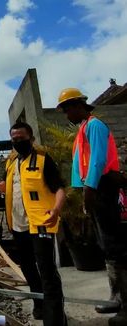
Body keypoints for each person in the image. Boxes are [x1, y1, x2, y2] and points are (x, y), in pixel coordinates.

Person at [57, 88, 127, 325]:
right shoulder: (84, 128)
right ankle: (116, 297)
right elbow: (82, 162)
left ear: (78, 105)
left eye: (68, 110)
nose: (67, 115)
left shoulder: (95, 126)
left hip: (102, 187)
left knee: (115, 246)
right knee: (106, 245)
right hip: (96, 187)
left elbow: (97, 159)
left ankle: (126, 306)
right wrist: (83, 186)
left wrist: (89, 188)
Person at [0, 122, 67, 325]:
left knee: (47, 270)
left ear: (31, 139)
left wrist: (56, 209)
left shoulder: (43, 160)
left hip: (40, 223)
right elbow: (14, 185)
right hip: (18, 225)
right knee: (29, 269)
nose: (17, 142)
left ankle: (56, 318)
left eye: (21, 138)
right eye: (14, 139)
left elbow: (59, 188)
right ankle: (39, 304)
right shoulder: (12, 163)